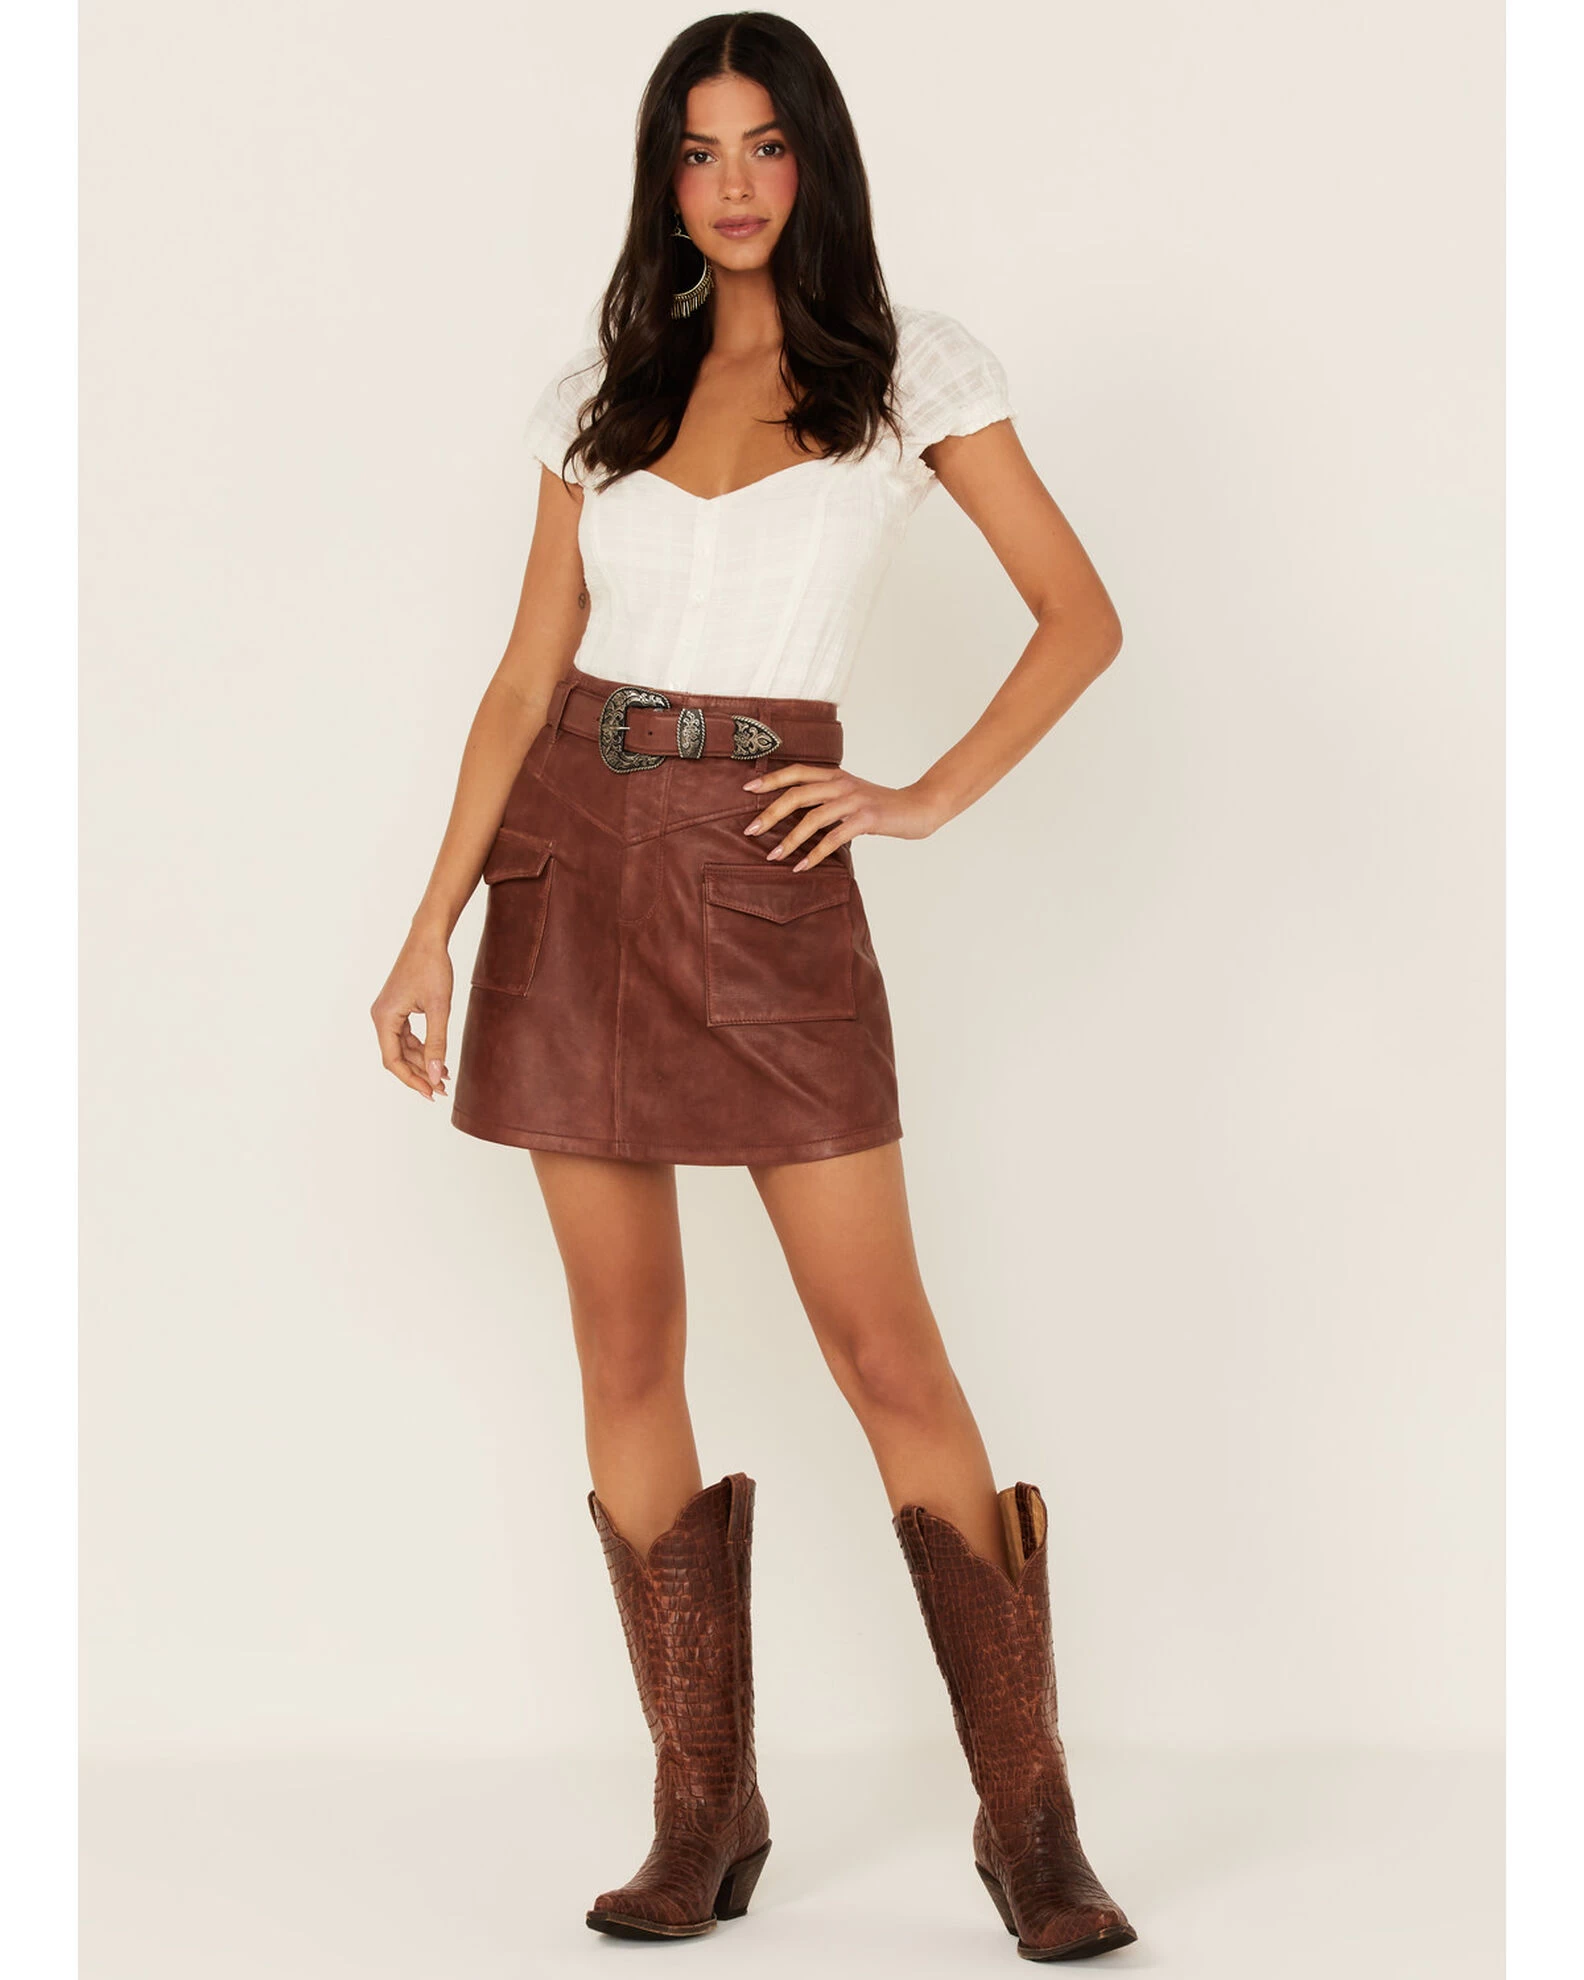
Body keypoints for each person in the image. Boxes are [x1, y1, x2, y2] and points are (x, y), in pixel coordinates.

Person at [370, 10, 1136, 1962]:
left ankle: (1030, 1823)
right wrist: (429, 924)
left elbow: (1080, 616)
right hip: (572, 862)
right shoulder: (599, 395)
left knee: (888, 1354)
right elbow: (524, 678)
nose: (731, 183)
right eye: (698, 150)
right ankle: (701, 1807)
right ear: (663, 176)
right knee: (626, 1349)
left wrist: (920, 796)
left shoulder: (909, 372)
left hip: (770, 875)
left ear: (817, 162)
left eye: (765, 145)